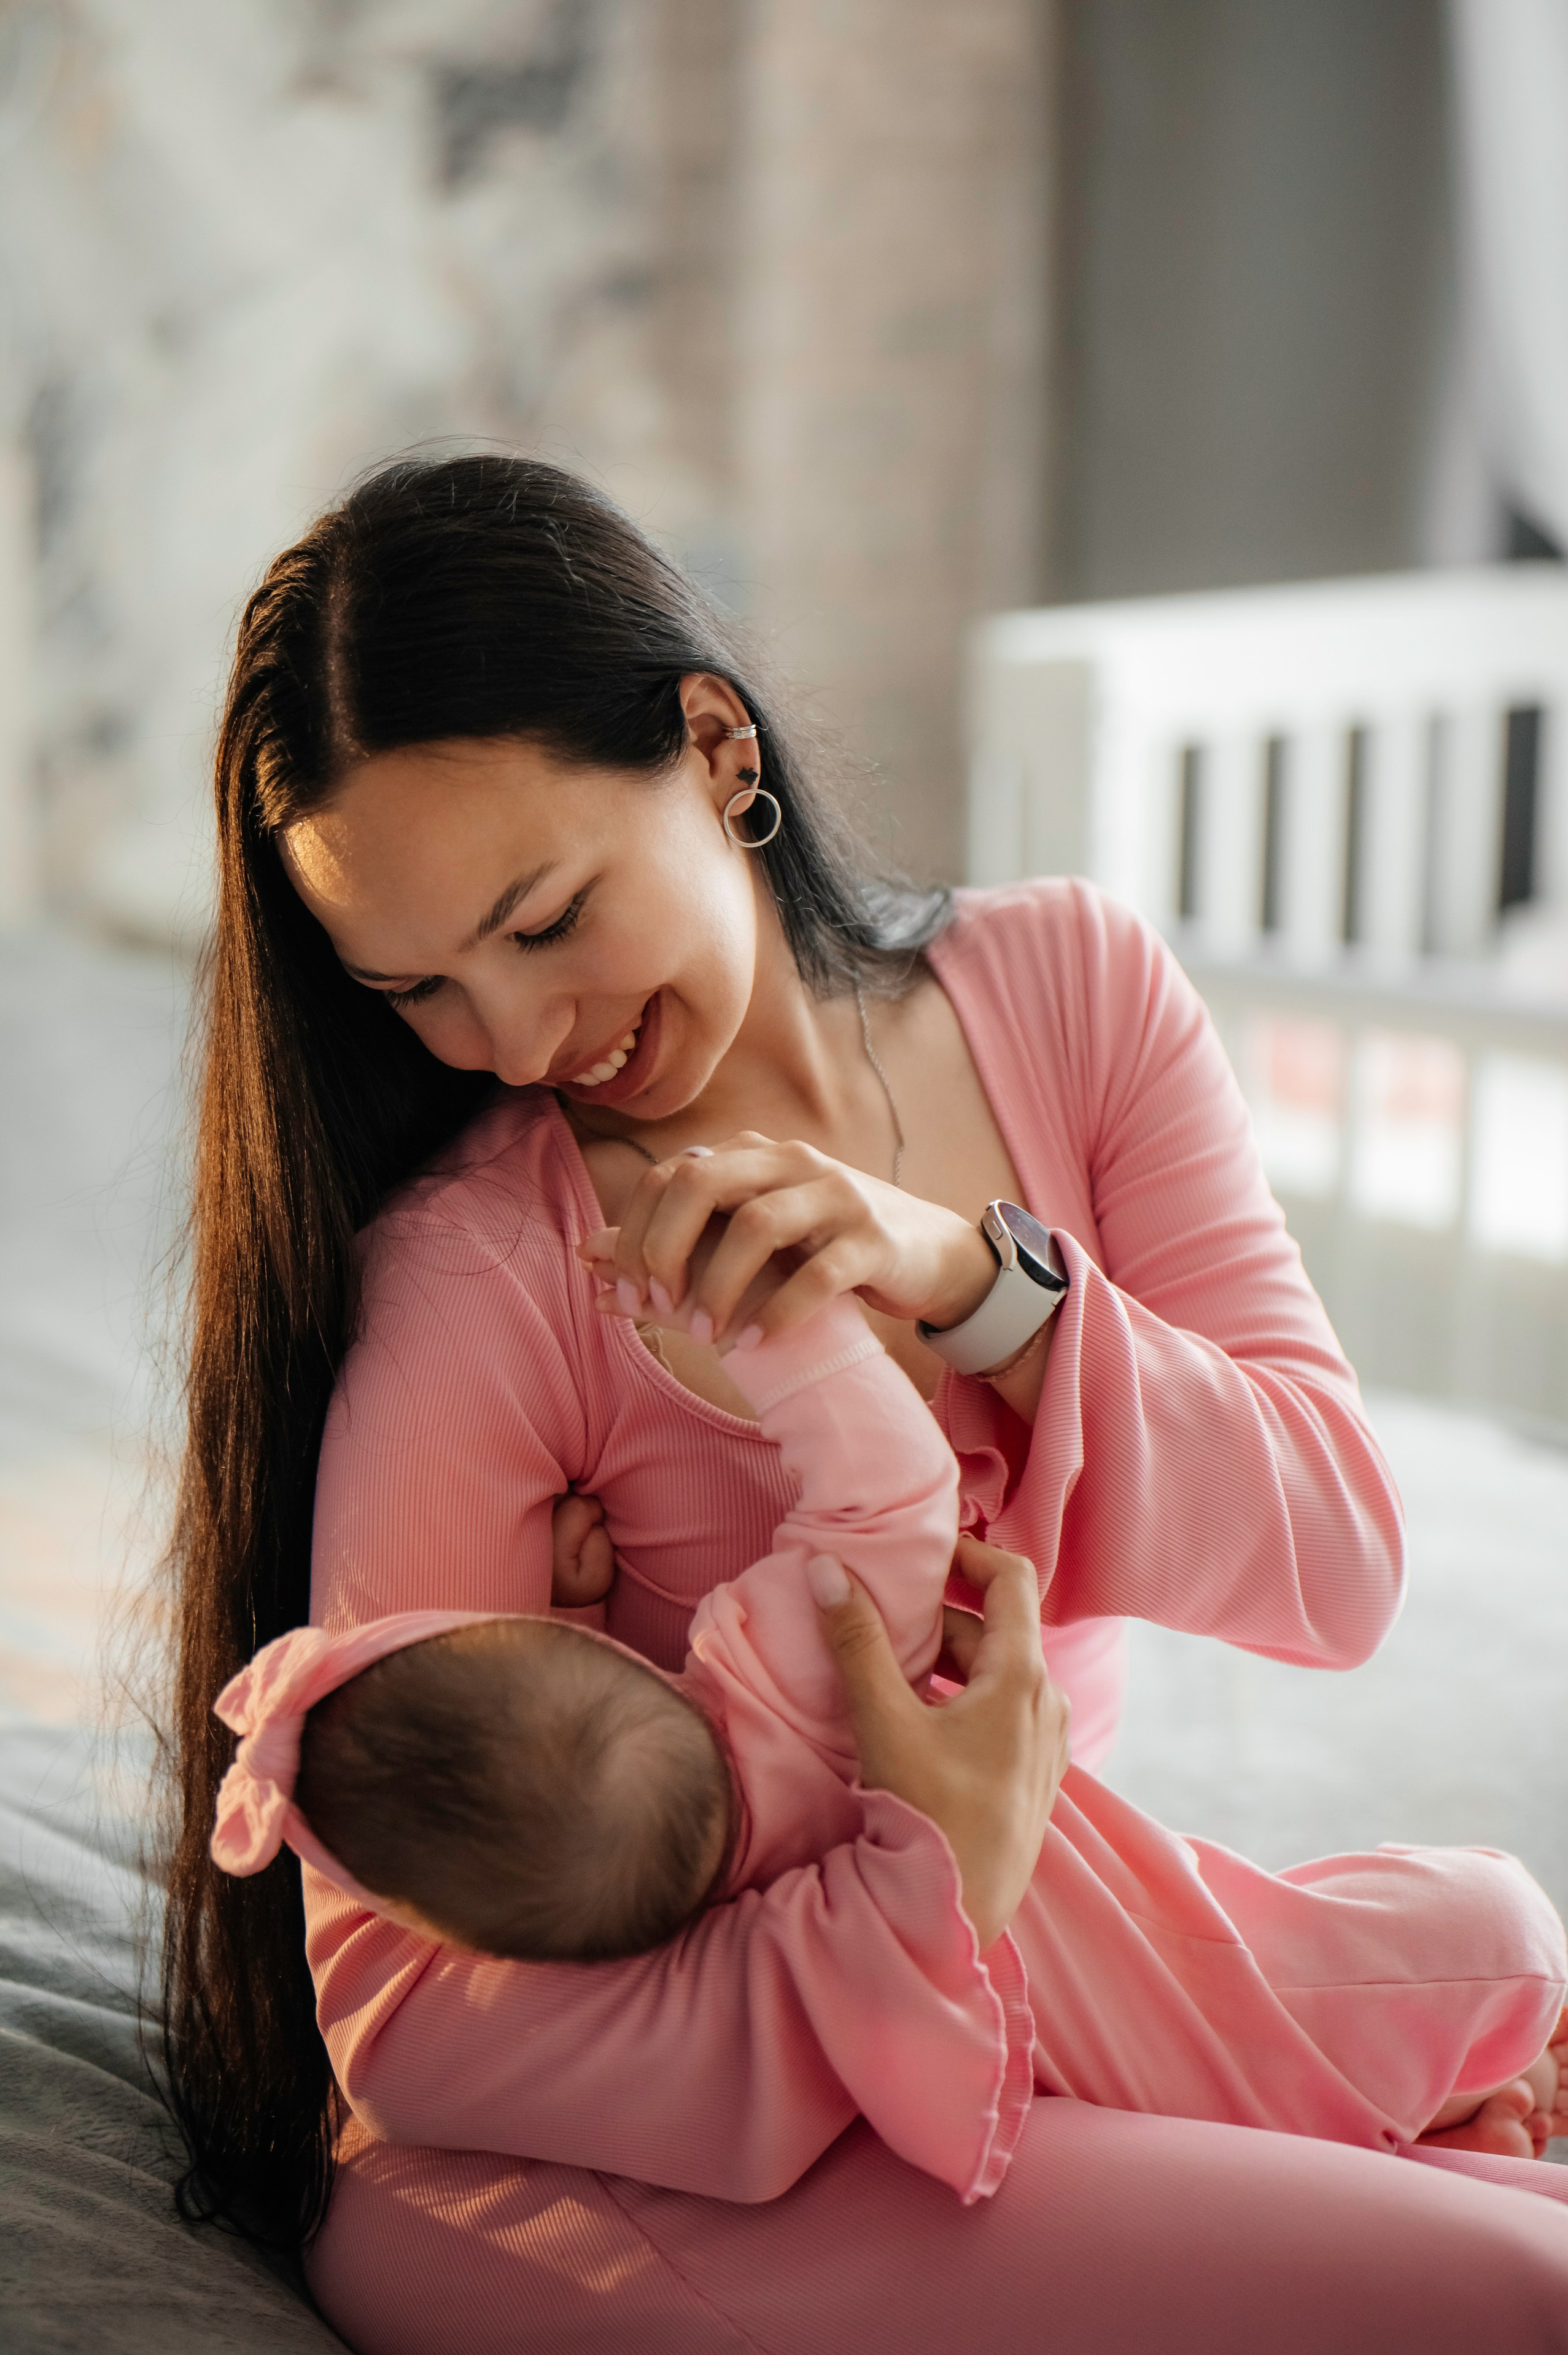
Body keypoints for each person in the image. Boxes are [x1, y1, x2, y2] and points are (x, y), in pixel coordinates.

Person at [163, 452, 1568, 2354]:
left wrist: (978, 1283)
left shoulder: (1074, 991)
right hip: (620, 2162)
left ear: (715, 744)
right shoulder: (494, 1269)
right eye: (420, 987)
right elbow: (407, 2021)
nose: (513, 1039)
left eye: (549, 913)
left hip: (1017, 2004)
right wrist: (918, 1902)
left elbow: (1333, 1561)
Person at [206, 1270, 1567, 2179]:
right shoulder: (785, 1676)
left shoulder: (764, 1978)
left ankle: (1441, 2117)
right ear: (587, 1636)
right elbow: (891, 1484)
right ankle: (1470, 2061)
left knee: (1284, 2046)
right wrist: (754, 1313)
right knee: (1480, 1931)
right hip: (1243, 1999)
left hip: (1105, 2110)